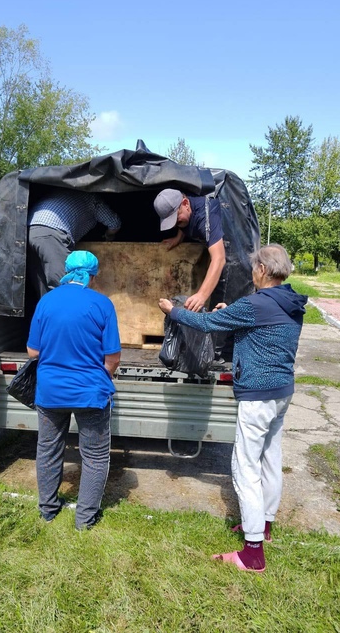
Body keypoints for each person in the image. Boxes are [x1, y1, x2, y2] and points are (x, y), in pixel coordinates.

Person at [158, 244, 308, 572]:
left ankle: (253, 553)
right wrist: (231, 310)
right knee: (271, 459)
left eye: (255, 268)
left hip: (258, 394)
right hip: (282, 391)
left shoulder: (257, 304)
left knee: (244, 468)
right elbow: (258, 325)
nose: (253, 272)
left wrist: (173, 311)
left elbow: (208, 325)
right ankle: (264, 526)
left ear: (263, 271)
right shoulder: (290, 301)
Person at [27, 250, 122, 530]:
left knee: (48, 449)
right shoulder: (102, 304)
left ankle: (47, 510)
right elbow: (112, 358)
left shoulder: (46, 301)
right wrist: (97, 377)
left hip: (50, 393)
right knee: (94, 457)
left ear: (67, 271)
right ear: (92, 275)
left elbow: (33, 351)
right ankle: (85, 519)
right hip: (90, 393)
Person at [27, 187, 121, 299]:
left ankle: (50, 314)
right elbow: (114, 223)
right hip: (52, 232)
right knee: (64, 283)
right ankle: (67, 314)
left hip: (29, 229)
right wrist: (109, 236)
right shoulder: (93, 199)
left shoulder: (63, 193)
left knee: (43, 286)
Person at [153, 188, 226, 312]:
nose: (175, 224)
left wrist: (201, 295)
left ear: (186, 203)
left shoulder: (206, 217)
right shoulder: (186, 210)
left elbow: (219, 259)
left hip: (227, 248)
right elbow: (184, 222)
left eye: (176, 219)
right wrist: (178, 238)